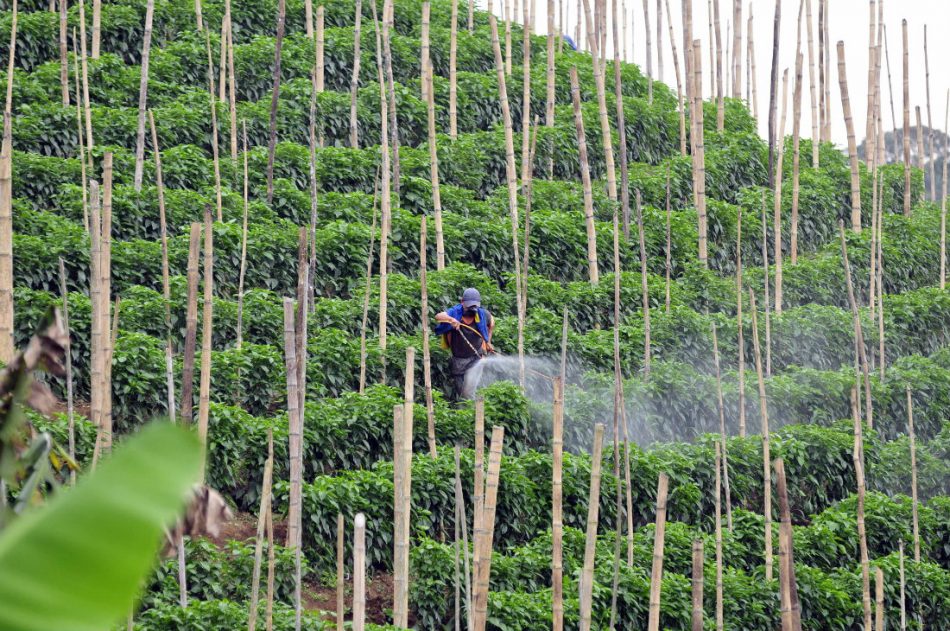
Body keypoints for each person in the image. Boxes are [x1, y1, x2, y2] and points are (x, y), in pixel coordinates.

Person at [434, 288, 495, 399]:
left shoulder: (482, 315)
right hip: (458, 360)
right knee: (462, 394)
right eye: (469, 306)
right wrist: (451, 320)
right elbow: (438, 316)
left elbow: (491, 322)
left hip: (476, 358)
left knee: (468, 392)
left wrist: (488, 342)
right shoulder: (455, 312)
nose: (472, 309)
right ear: (462, 302)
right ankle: (465, 414)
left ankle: (473, 413)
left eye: (474, 306)